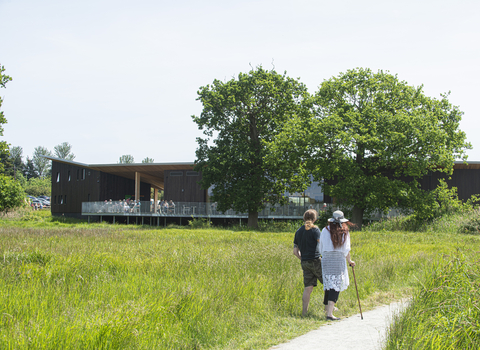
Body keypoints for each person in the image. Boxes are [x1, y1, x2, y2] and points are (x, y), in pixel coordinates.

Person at [320, 210, 356, 321]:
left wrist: (325, 255)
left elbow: (321, 246)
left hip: (326, 260)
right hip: (338, 260)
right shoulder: (345, 231)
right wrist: (350, 261)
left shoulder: (325, 230)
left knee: (328, 284)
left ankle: (327, 308)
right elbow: (346, 249)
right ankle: (329, 313)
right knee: (335, 286)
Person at [293, 209, 323, 317]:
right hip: (315, 260)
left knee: (308, 287)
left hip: (304, 262)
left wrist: (302, 258)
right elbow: (321, 245)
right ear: (315, 219)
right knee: (327, 284)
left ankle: (304, 312)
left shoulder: (298, 231)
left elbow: (295, 252)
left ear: (304, 218)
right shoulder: (315, 230)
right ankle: (329, 307)